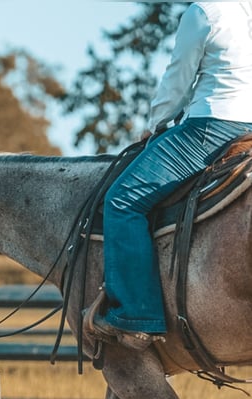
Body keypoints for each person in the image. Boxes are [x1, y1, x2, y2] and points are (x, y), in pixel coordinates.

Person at [88, 2, 252, 350]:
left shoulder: (204, 13)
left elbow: (178, 78)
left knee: (122, 201)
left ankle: (136, 315)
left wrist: (155, 125)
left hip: (214, 126)